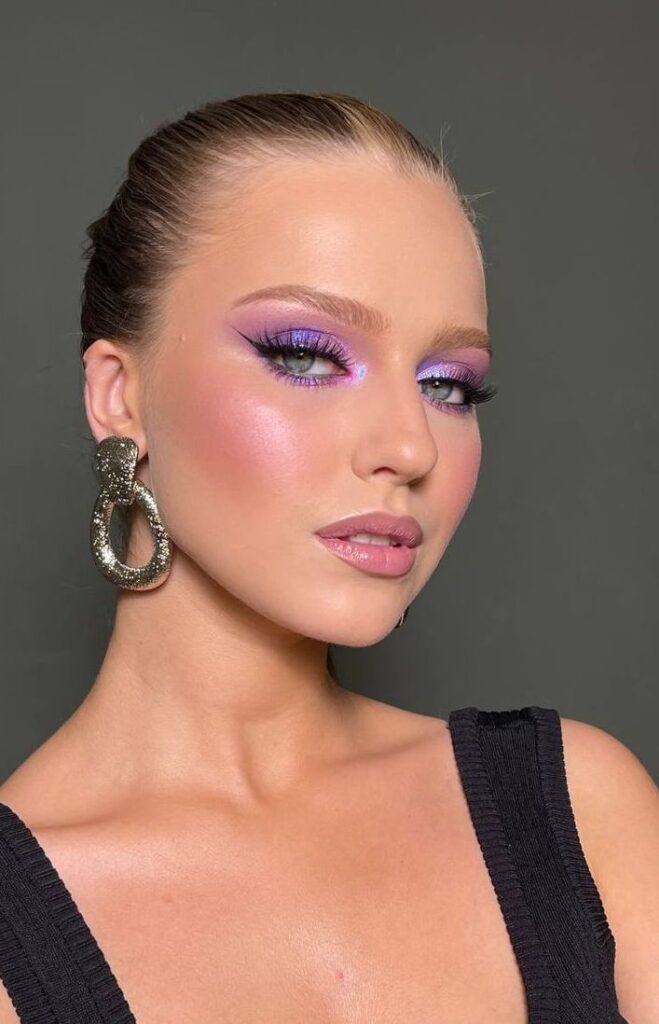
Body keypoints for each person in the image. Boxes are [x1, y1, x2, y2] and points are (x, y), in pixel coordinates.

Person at [0, 92, 656, 1024]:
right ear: (119, 395)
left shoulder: (580, 814)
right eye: (306, 356)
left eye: (447, 384)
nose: (410, 446)